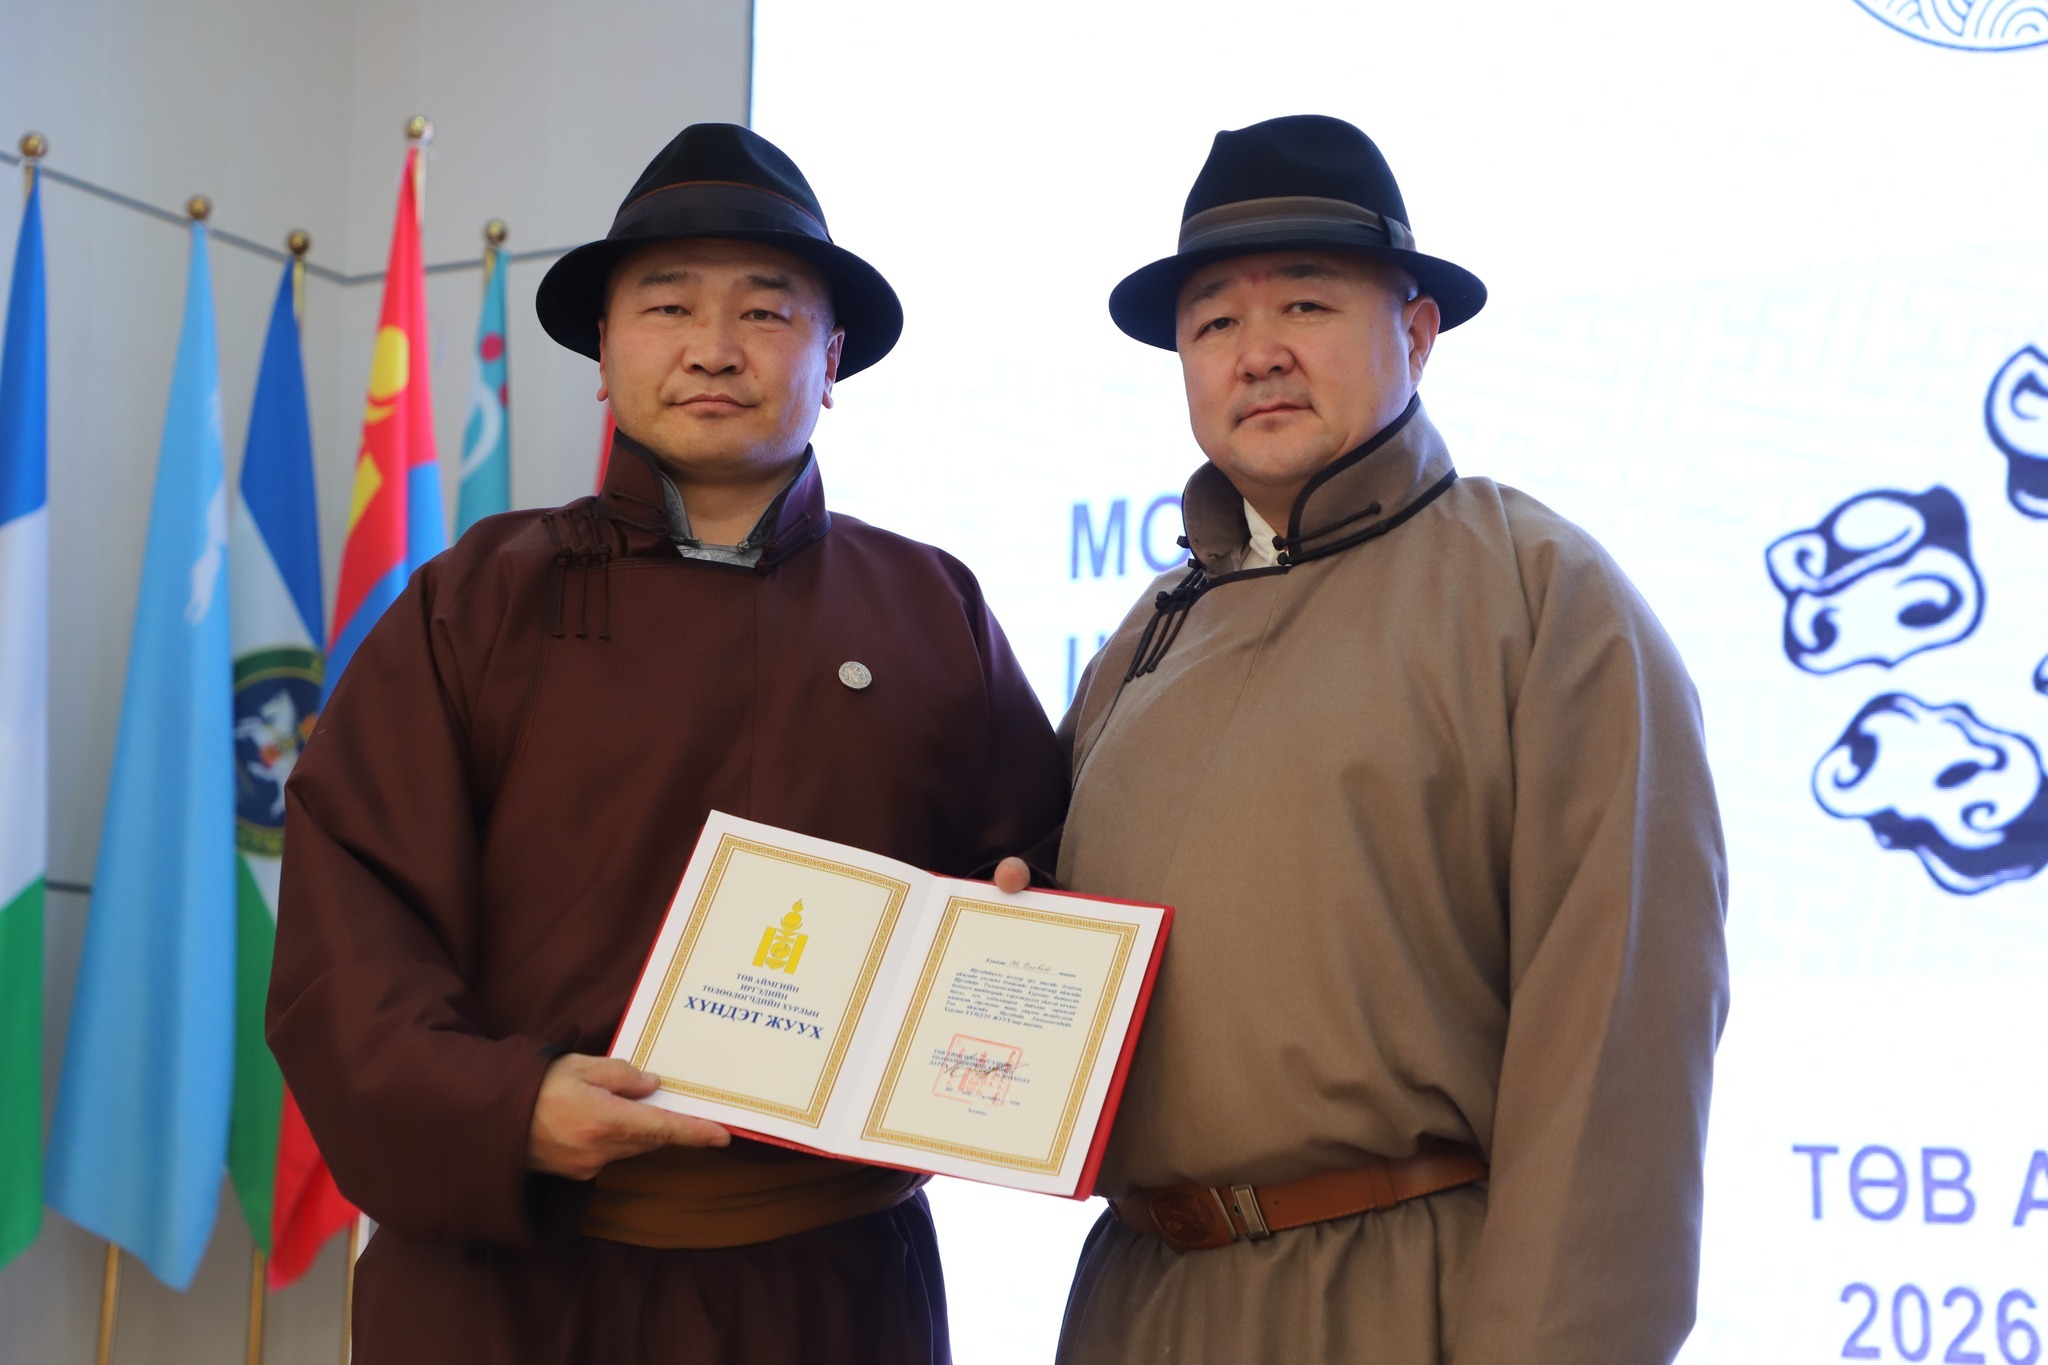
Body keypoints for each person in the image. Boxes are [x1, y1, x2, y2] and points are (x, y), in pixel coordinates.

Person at [269, 123, 1066, 1365]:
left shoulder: (929, 608)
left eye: (765, 311)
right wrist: (508, 1108)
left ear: (830, 357)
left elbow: (1036, 879)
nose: (713, 347)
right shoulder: (473, 599)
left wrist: (1019, 925)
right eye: (668, 305)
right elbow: (349, 928)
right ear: (604, 350)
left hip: (830, 1290)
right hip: (511, 1289)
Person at [1026, 114, 1729, 1363]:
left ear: (1414, 332)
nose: (1256, 354)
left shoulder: (1536, 592)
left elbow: (1614, 1048)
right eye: (1212, 325)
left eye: (1304, 305)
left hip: (1398, 1297)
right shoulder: (1148, 631)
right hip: (1139, 1300)